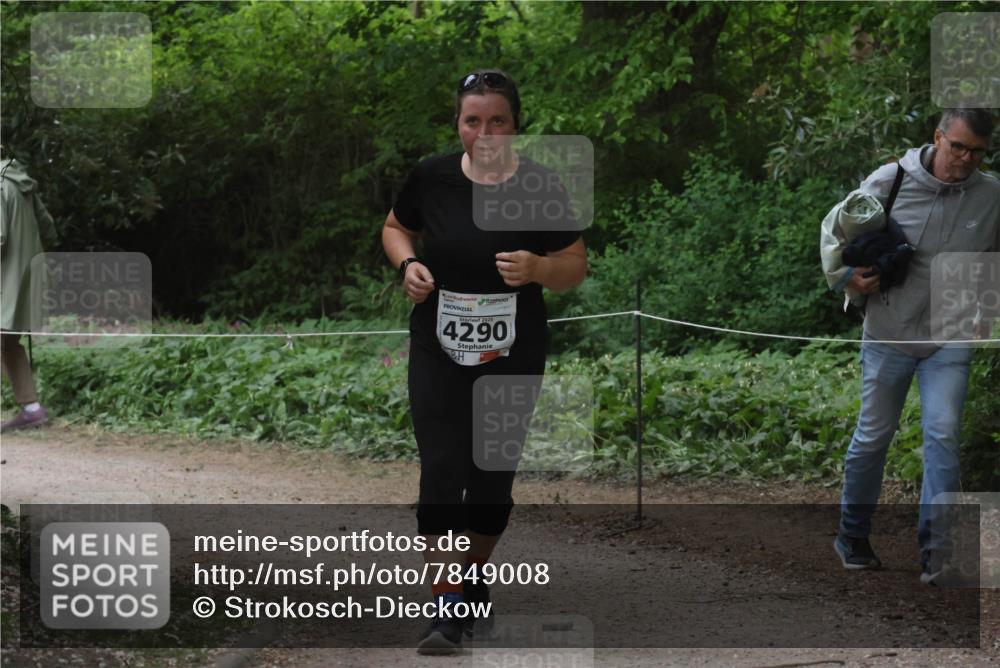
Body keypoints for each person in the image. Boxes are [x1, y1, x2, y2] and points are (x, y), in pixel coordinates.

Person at [381, 68, 587, 654]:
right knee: (442, 469)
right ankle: (446, 609)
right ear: (459, 124)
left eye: (498, 120)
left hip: (512, 352)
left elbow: (575, 263)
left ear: (516, 126)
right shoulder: (433, 177)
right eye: (474, 120)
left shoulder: (541, 185)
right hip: (438, 349)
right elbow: (397, 228)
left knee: (490, 480)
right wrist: (407, 266)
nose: (486, 131)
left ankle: (471, 583)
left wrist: (540, 268)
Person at [831, 108, 999, 584]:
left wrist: (985, 313)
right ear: (938, 138)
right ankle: (853, 534)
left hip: (950, 335)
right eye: (958, 147)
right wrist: (848, 280)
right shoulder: (888, 181)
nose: (965, 159)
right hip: (888, 332)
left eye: (977, 152)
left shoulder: (991, 197)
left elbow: (993, 259)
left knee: (943, 436)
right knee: (872, 438)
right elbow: (836, 243)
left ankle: (938, 554)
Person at [1, 155, 58, 432]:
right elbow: (48, 226)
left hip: (5, 281)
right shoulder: (21, 181)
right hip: (29, 275)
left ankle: (31, 409)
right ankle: (32, 409)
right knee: (9, 344)